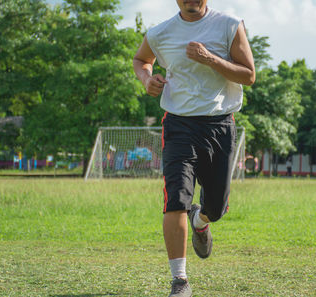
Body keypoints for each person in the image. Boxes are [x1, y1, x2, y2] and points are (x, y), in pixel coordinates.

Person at [133, 1, 255, 296]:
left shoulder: (229, 25)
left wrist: (210, 58)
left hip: (220, 125)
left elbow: (248, 75)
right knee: (175, 199)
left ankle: (201, 221)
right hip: (179, 125)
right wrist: (147, 79)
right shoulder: (161, 32)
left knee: (216, 207)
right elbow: (141, 59)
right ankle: (180, 281)